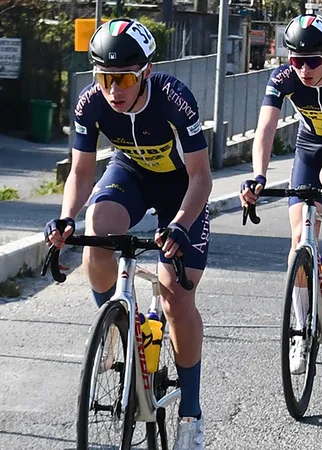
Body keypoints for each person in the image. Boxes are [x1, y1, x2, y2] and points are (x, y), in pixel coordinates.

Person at [45, 18, 211, 448]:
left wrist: (180, 224)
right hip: (130, 175)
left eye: (123, 79)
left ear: (146, 72)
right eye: (104, 78)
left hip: (181, 188)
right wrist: (66, 217)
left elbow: (201, 176)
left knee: (176, 298)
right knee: (98, 233)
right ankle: (118, 326)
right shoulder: (91, 102)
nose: (113, 89)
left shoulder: (174, 98)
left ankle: (191, 414)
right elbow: (82, 172)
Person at [240, 14, 322, 373]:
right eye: (297, 61)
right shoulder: (283, 78)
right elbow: (265, 130)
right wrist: (258, 175)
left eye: (312, 61)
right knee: (299, 240)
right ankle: (300, 332)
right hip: (309, 148)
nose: (304, 69)